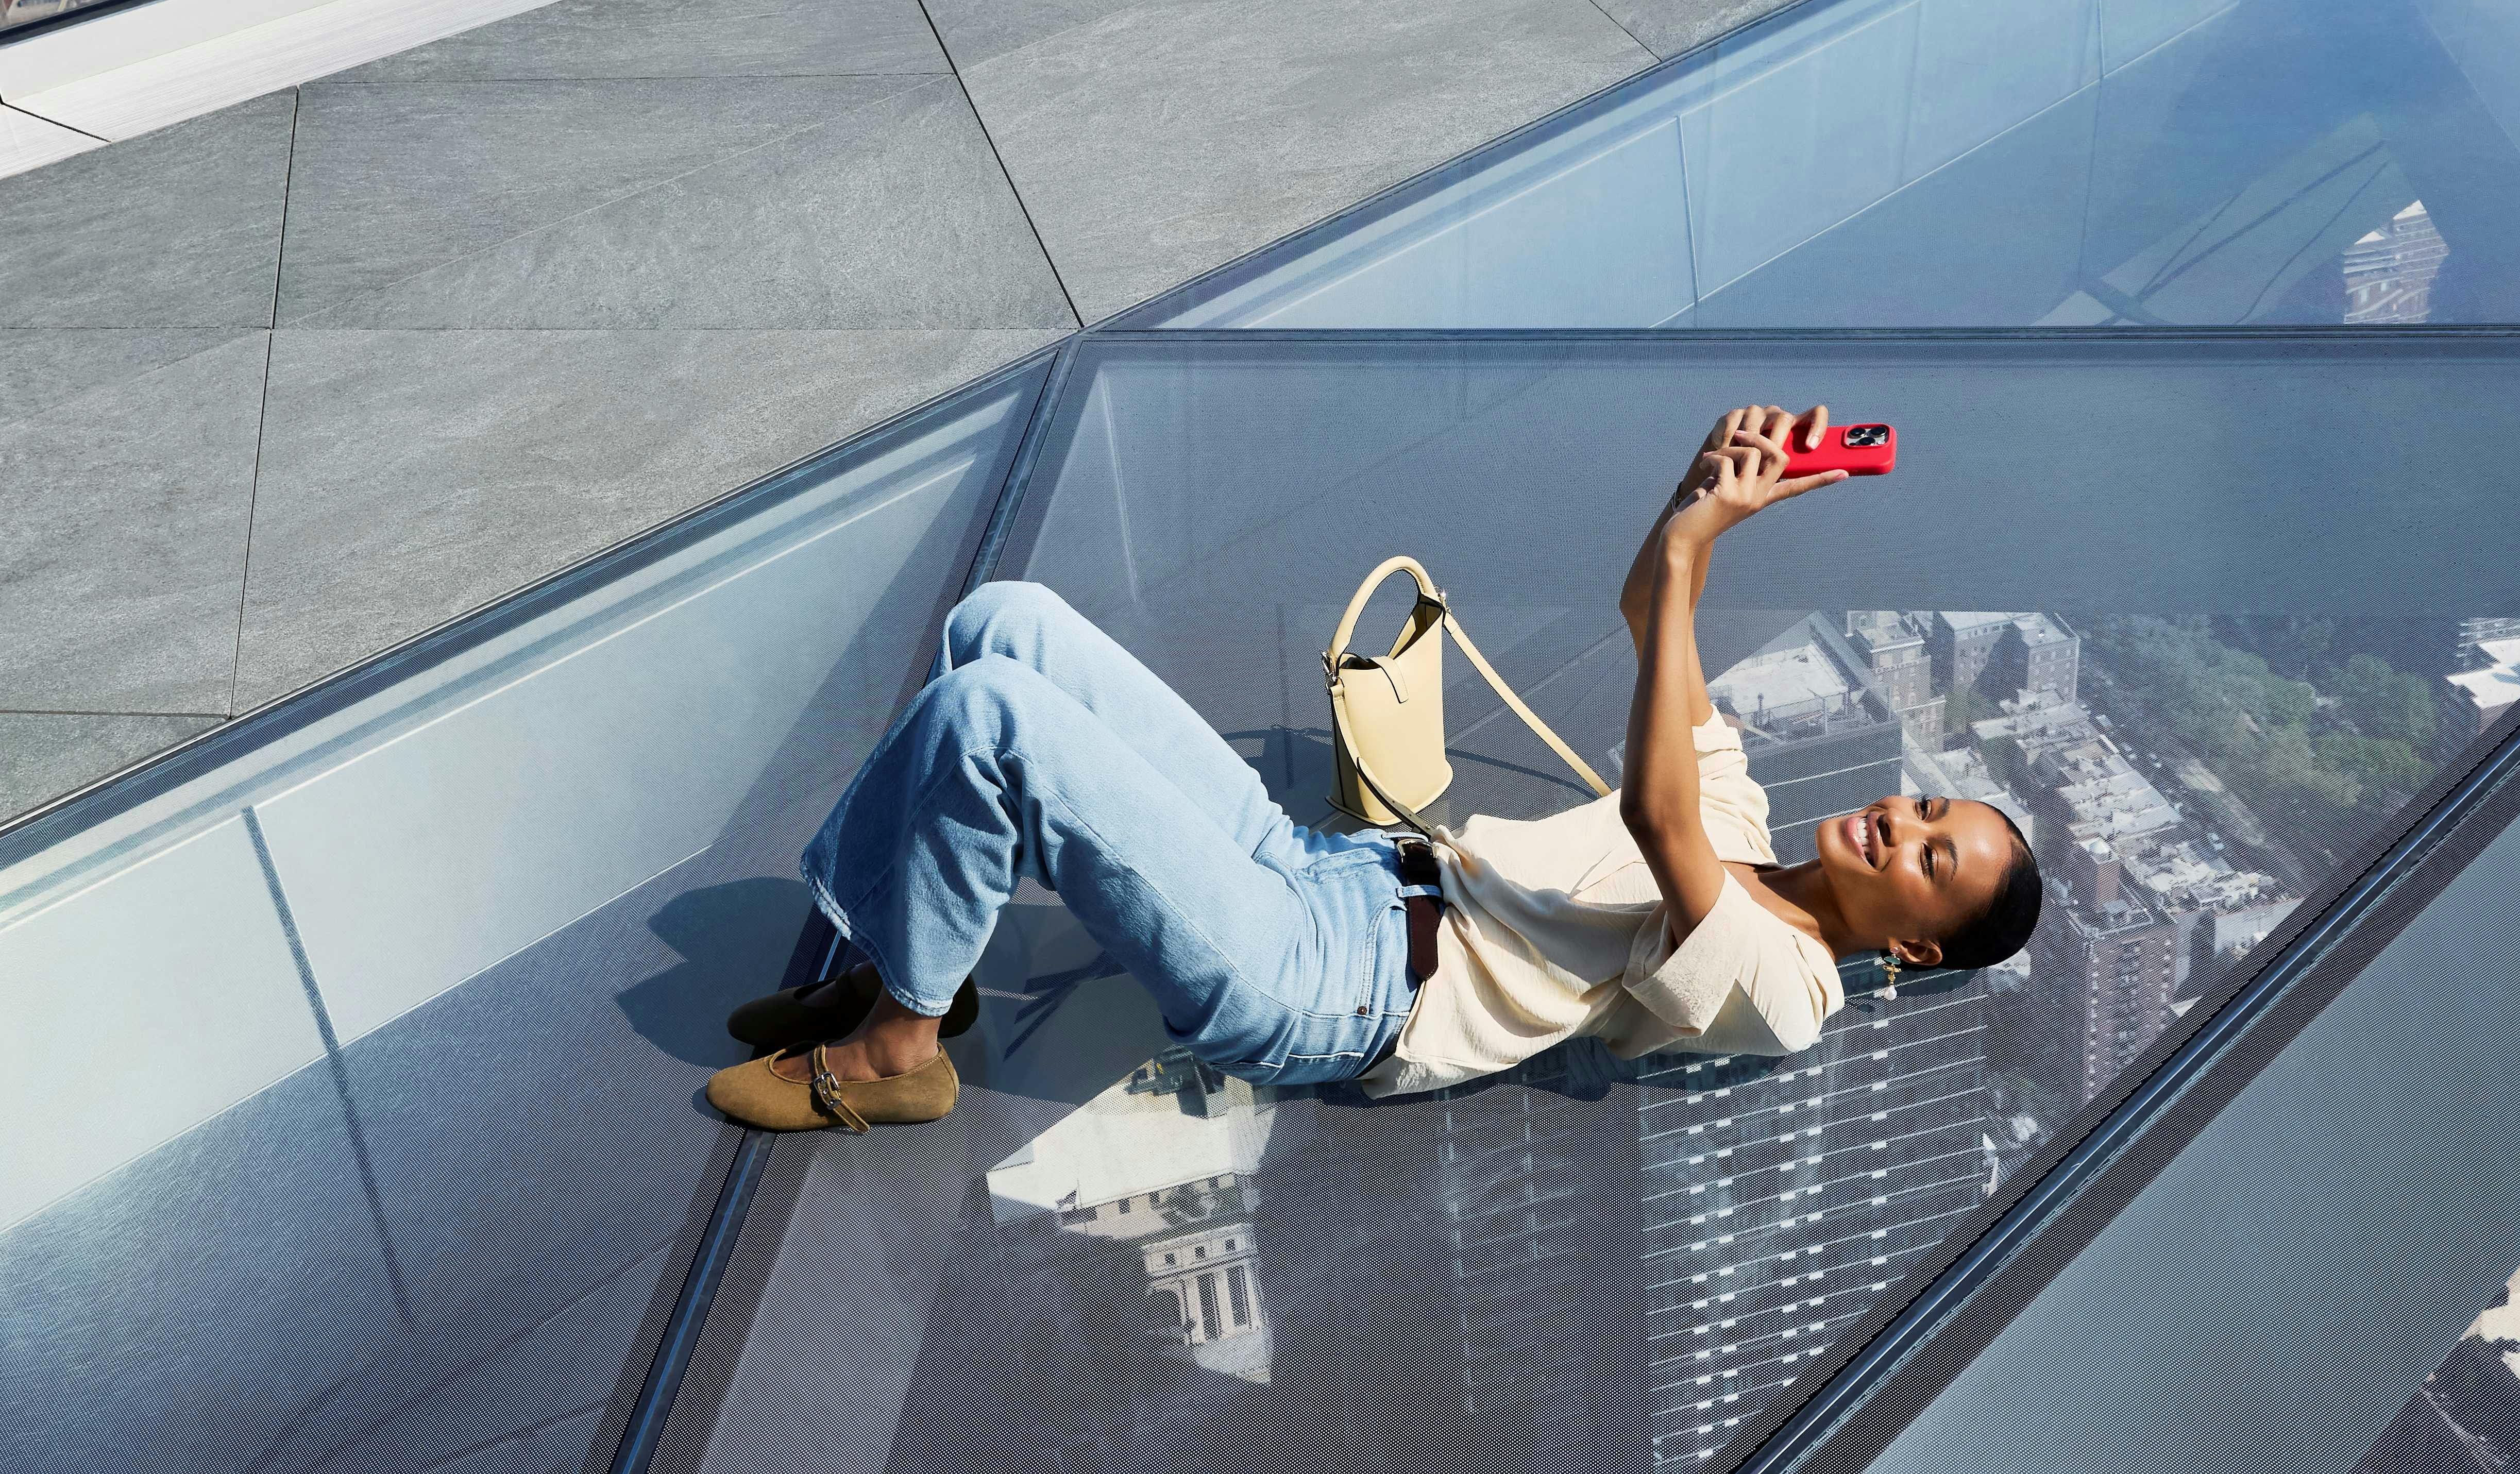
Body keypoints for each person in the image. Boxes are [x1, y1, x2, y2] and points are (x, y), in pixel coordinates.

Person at [709, 401, 2043, 1133]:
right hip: (1329, 874)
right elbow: (1650, 618)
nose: (1899, 823)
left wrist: (1702, 548)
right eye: (1928, 804)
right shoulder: (1745, 810)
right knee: (1005, 625)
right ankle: (910, 957)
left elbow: (1654, 818)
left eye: (1934, 858)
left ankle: (899, 1047)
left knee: (996, 714)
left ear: (1918, 949)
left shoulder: (1792, 988)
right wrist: (1703, 490)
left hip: (1337, 991)